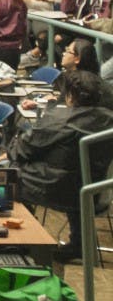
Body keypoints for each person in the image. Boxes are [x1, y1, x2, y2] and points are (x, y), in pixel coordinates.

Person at [8, 71, 113, 262]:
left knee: (8, 175)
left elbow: (21, 152)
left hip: (56, 187)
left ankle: (26, 242)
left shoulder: (59, 120)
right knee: (75, 175)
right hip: (94, 188)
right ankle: (79, 245)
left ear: (70, 95)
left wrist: (15, 142)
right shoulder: (109, 119)